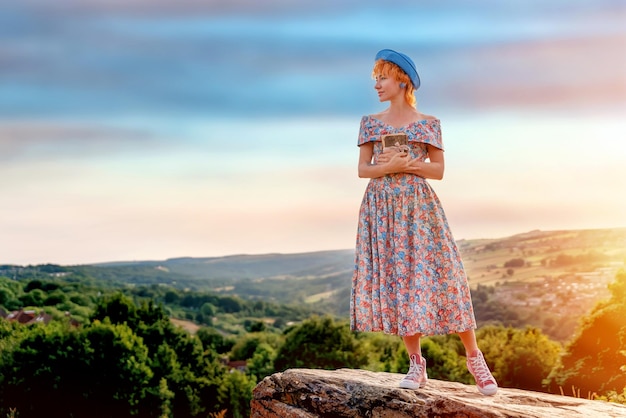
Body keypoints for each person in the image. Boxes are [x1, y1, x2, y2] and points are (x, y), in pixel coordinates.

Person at [350, 48, 498, 396]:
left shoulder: (429, 123)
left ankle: (474, 357)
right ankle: (416, 364)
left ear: (401, 80)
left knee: (447, 276)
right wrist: (386, 168)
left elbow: (439, 170)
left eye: (382, 77)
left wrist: (405, 164)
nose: (377, 85)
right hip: (382, 209)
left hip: (420, 209)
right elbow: (362, 169)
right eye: (375, 78)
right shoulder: (370, 122)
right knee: (402, 284)